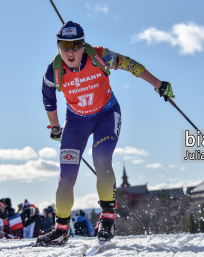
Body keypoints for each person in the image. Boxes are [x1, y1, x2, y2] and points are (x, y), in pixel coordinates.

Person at [36, 21, 174, 246]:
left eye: (75, 45)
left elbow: (131, 65)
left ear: (83, 44)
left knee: (101, 158)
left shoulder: (100, 56)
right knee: (67, 176)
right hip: (75, 122)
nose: (70, 51)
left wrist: (158, 84)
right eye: (63, 45)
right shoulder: (54, 69)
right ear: (58, 47)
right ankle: (60, 230)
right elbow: (48, 99)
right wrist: (54, 127)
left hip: (106, 116)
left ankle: (108, 219)